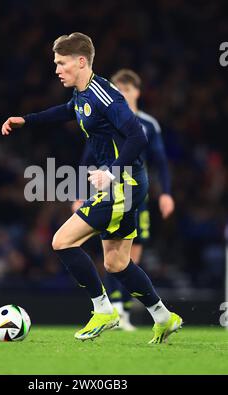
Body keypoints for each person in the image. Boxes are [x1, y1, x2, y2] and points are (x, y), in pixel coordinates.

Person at [2, 32, 182, 343]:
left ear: (81, 61)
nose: (57, 69)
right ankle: (164, 317)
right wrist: (27, 121)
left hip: (122, 185)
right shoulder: (83, 95)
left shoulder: (105, 95)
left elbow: (138, 135)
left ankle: (102, 309)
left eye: (61, 63)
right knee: (116, 262)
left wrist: (111, 173)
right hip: (129, 183)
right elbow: (66, 111)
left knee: (62, 241)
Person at [74, 69, 175, 331]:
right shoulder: (105, 118)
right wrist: (77, 193)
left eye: (128, 90)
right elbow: (87, 159)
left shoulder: (149, 125)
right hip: (111, 193)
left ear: (138, 93)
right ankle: (118, 307)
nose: (124, 94)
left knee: (129, 256)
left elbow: (161, 162)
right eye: (120, 90)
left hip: (138, 195)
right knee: (114, 255)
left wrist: (165, 192)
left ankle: (124, 310)